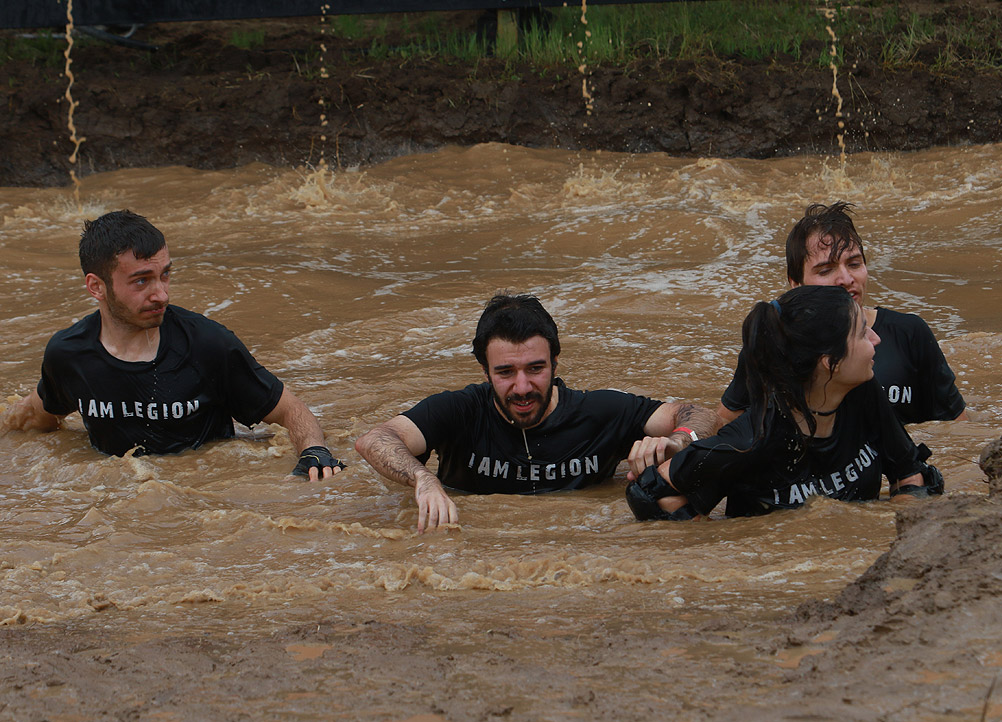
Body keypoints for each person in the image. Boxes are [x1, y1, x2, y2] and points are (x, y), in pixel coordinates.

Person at [1, 210, 343, 480]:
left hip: (207, 498)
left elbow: (291, 410)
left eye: (165, 274)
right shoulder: (68, 354)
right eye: (141, 281)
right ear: (96, 286)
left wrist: (314, 452)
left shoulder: (207, 344)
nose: (161, 293)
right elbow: (35, 418)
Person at [355, 293, 718, 532]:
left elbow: (698, 414)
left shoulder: (601, 411)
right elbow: (376, 439)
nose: (523, 387)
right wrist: (423, 480)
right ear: (485, 373)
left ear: (555, 363)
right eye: (505, 372)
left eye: (535, 368)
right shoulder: (460, 410)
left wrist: (678, 442)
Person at [626, 286, 930, 522]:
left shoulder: (863, 393)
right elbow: (649, 492)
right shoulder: (752, 440)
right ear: (830, 363)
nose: (877, 339)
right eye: (863, 332)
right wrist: (716, 543)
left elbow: (908, 472)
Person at [717, 201, 967, 427]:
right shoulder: (772, 343)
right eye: (826, 270)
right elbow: (725, 422)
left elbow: (958, 430)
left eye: (855, 264)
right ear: (796, 285)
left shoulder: (910, 333)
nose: (846, 279)